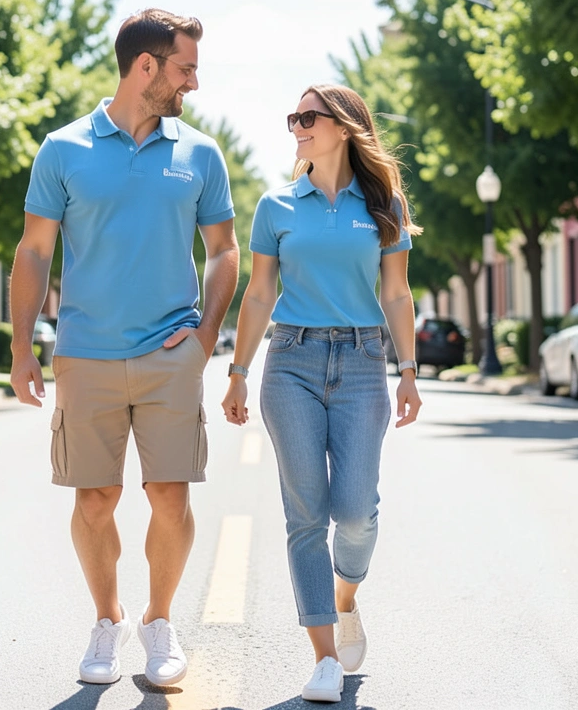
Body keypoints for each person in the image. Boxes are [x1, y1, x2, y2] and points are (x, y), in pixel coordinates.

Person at [7, 8, 240, 687]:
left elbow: (224, 251)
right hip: (86, 354)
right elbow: (34, 250)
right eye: (185, 68)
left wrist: (203, 338)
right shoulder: (63, 149)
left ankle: (158, 621)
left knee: (170, 496)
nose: (193, 82)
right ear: (147, 66)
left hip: (171, 356)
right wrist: (23, 348)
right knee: (94, 501)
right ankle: (107, 620)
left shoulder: (200, 153)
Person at [221, 84, 422, 703]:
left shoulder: (382, 202)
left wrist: (409, 369)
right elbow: (258, 295)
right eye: (293, 119)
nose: (297, 128)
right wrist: (238, 370)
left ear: (342, 127)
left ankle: (345, 597)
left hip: (364, 362)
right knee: (305, 515)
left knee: (357, 512)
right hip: (292, 361)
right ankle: (325, 657)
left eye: (308, 118)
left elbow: (395, 293)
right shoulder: (277, 205)